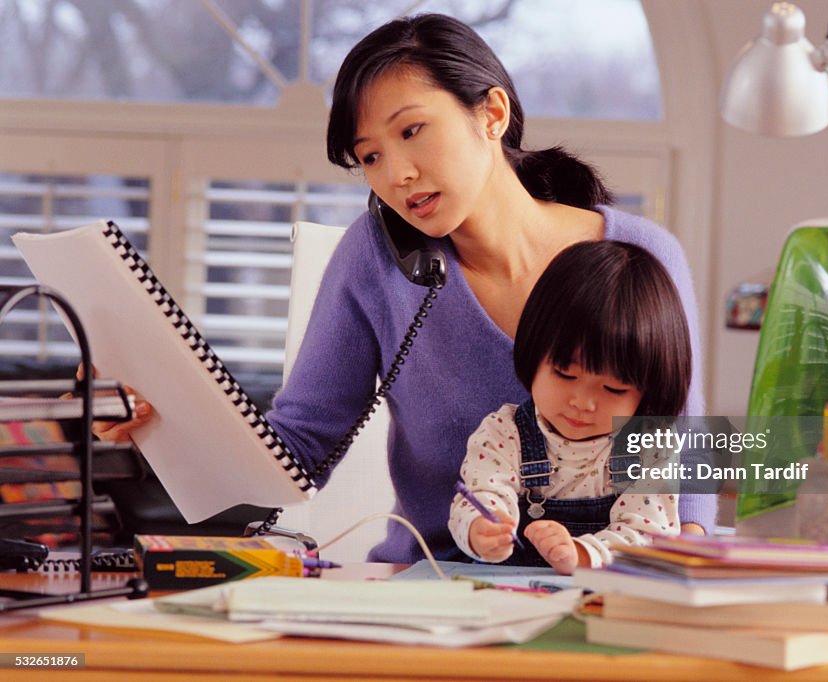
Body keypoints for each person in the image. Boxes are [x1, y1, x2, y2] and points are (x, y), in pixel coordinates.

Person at [97, 13, 715, 562]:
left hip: (611, 576)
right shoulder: (371, 261)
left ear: (492, 114)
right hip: (434, 578)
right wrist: (165, 414)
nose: (398, 174)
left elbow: (685, 459)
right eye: (369, 157)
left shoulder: (641, 256)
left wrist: (688, 576)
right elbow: (297, 450)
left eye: (412, 131)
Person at [450, 240, 707, 574]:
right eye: (565, 374)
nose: (582, 403)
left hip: (607, 602)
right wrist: (481, 529)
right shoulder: (504, 432)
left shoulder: (649, 447)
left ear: (649, 390)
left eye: (613, 388)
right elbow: (482, 492)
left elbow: (648, 536)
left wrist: (581, 554)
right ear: (534, 353)